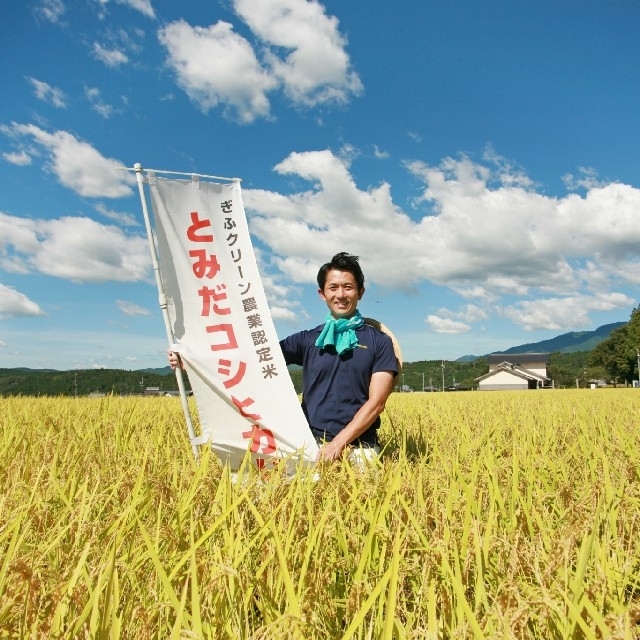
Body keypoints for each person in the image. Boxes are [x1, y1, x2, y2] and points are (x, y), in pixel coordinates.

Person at [169, 252, 398, 464]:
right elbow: (252, 359)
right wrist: (193, 361)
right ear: (322, 294)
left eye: (348, 287)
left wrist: (338, 444)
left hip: (361, 448)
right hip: (311, 444)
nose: (340, 295)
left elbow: (376, 403)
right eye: (333, 287)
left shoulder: (379, 342)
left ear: (360, 292)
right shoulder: (308, 339)